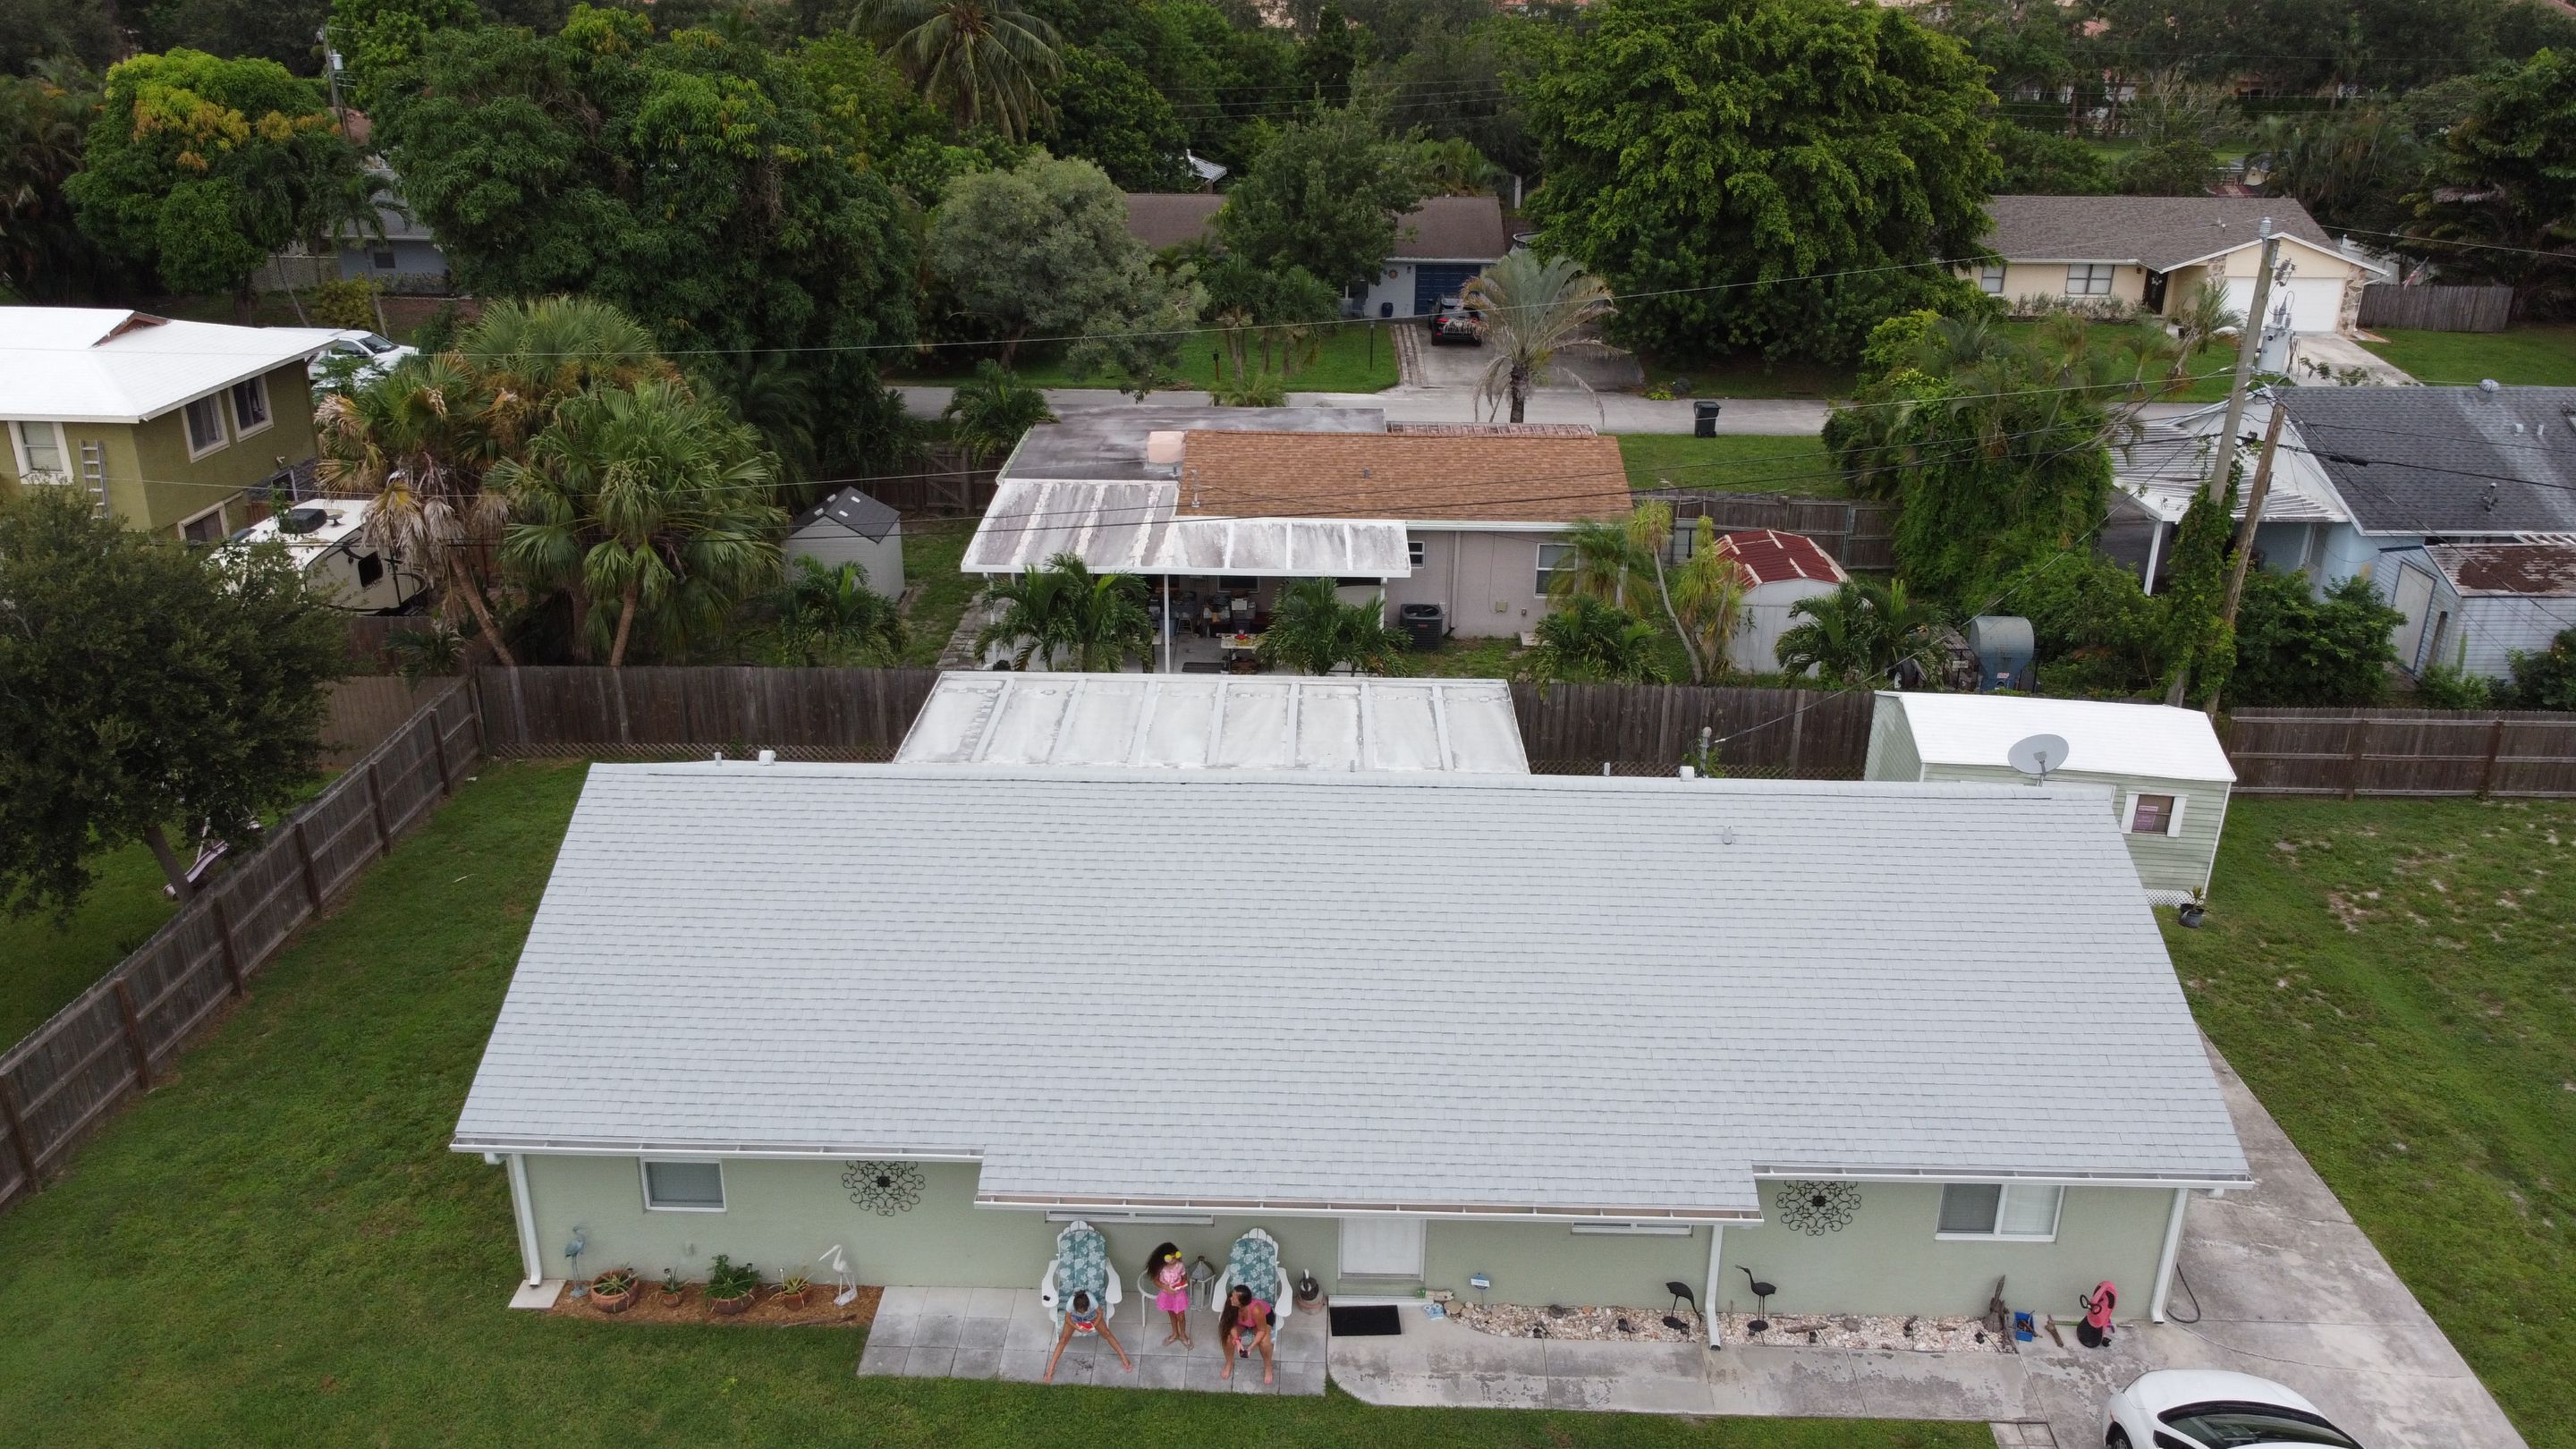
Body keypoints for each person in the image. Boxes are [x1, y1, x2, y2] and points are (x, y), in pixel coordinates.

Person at [1043, 1290, 1133, 1382]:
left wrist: (1093, 1326)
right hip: (1075, 1319)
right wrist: (1077, 1327)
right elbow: (1067, 1318)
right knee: (1063, 1340)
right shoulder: (1071, 1302)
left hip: (1092, 1316)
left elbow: (1100, 1313)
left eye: (1084, 1311)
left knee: (1107, 1333)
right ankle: (1050, 1370)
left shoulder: (1092, 1299)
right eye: (1080, 1311)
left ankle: (1125, 1359)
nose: (1082, 1313)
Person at [1217, 1284, 1274, 1385]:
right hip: (1243, 1322)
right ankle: (1229, 1362)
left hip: (1263, 1319)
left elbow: (1261, 1330)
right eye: (1232, 1295)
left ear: (1241, 1302)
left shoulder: (1256, 1309)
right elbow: (1230, 1325)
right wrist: (1237, 1341)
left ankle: (1268, 1366)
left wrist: (1251, 1347)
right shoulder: (1232, 1305)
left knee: (1265, 1341)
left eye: (1234, 1297)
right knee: (1228, 1338)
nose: (1231, 1298)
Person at [1146, 1242, 1192, 1348]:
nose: (1173, 1259)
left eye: (1175, 1256)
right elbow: (1156, 1280)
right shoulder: (1161, 1268)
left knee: (1181, 1317)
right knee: (1171, 1314)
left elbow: (1184, 1277)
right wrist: (1166, 1287)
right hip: (1167, 1294)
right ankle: (1175, 1333)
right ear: (1163, 1258)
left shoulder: (1180, 1266)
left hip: (1179, 1294)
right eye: (1169, 1257)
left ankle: (1183, 1335)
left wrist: (1183, 1284)